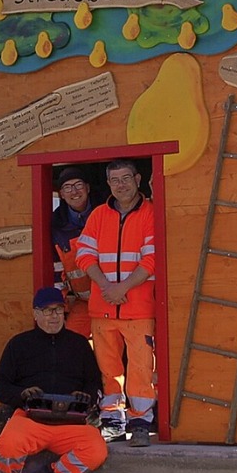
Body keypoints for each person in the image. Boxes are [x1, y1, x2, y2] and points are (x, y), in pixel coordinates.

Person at [0, 287, 107, 473]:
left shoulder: (80, 344)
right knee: (8, 443)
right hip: (30, 418)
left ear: (64, 313)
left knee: (96, 449)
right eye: (46, 311)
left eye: (58, 310)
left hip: (71, 420)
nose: (53, 316)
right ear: (35, 314)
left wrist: (87, 397)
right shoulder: (19, 344)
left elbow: (94, 383)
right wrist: (21, 394)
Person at [76, 159, 155, 448]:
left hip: (139, 308)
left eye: (125, 178)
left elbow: (152, 258)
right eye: (114, 180)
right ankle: (112, 422)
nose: (120, 185)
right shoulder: (98, 215)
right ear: (108, 184)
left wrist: (122, 287)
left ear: (137, 179)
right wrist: (108, 287)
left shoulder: (150, 213)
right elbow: (84, 255)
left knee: (141, 368)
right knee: (108, 369)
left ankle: (141, 422)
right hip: (104, 306)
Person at [51, 166, 100, 338]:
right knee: (68, 341)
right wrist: (60, 308)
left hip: (115, 298)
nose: (74, 191)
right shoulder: (55, 225)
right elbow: (56, 268)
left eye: (78, 185)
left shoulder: (107, 212)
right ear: (61, 194)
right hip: (83, 302)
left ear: (87, 188)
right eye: (67, 187)